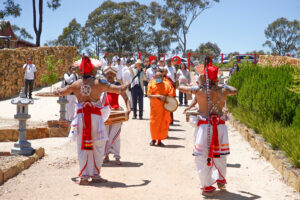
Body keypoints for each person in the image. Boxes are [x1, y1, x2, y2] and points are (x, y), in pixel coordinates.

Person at [53, 56, 129, 185]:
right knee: (98, 147)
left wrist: (56, 90)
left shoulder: (76, 84)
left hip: (81, 118)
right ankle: (95, 175)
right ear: (92, 70)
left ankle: (84, 176)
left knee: (82, 146)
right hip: (96, 118)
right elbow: (120, 89)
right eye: (95, 68)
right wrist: (127, 83)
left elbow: (60, 92)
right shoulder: (100, 83)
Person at [178, 56, 237, 196]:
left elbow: (180, 87)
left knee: (202, 156)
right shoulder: (224, 90)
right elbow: (234, 89)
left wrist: (199, 81)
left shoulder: (199, 90)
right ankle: (221, 179)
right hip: (220, 127)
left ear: (205, 77)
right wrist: (221, 84)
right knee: (221, 155)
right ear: (216, 77)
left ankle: (207, 187)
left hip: (205, 127)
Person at [102, 66, 131, 165]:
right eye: (108, 74)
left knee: (116, 135)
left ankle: (117, 156)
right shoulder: (101, 85)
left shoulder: (118, 85)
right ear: (105, 75)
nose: (109, 75)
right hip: (104, 113)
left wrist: (128, 109)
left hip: (116, 112)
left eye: (111, 74)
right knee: (104, 135)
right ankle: (106, 156)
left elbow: (126, 98)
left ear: (114, 75)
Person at [147, 71, 175, 146]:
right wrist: (158, 96)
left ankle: (159, 140)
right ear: (154, 77)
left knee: (163, 124)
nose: (158, 79)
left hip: (164, 109)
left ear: (162, 78)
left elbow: (171, 94)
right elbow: (149, 95)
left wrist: (165, 97)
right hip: (154, 109)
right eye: (156, 77)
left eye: (159, 77)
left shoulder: (166, 84)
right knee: (153, 124)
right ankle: (153, 139)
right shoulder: (151, 84)